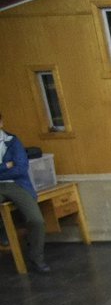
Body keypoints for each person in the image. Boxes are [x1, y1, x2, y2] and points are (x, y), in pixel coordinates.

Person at [0, 110, 49, 272]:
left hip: (16, 184)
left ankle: (36, 258)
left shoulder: (13, 142)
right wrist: (5, 166)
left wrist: (6, 169)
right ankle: (3, 233)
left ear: (1, 123)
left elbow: (21, 168)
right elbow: (12, 166)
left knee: (36, 220)